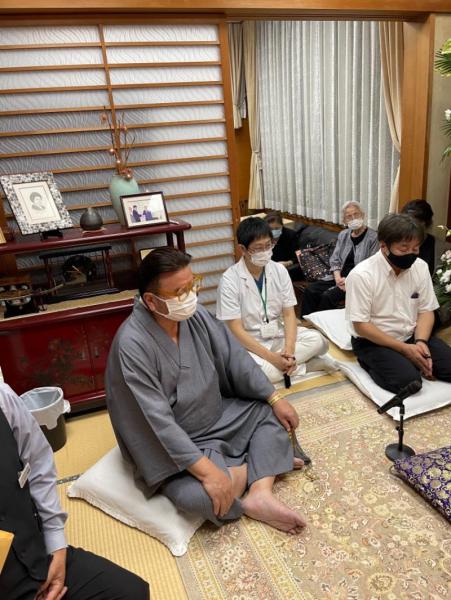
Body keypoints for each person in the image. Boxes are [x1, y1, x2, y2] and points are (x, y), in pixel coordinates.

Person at [105, 247, 307, 535]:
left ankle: (259, 493)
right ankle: (263, 465)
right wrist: (207, 472)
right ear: (150, 300)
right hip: (177, 443)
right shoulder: (131, 345)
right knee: (200, 498)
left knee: (273, 415)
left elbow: (234, 357)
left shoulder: (195, 315)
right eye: (180, 291)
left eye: (192, 285)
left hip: (219, 415)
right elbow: (154, 421)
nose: (190, 296)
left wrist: (273, 397)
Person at [0, 383, 149, 600]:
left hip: (36, 556)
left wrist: (56, 544)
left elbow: (38, 462)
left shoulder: (3, 397)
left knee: (132, 592)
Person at [216, 217, 335, 384]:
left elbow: (289, 314)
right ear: (242, 249)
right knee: (261, 374)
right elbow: (236, 330)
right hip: (249, 342)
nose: (265, 251)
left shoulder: (279, 270)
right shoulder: (229, 280)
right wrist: (272, 358)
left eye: (268, 245)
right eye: (258, 248)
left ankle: (290, 363)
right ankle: (308, 366)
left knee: (319, 341)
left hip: (277, 334)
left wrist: (290, 351)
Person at [345, 213, 451, 394]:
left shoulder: (420, 267)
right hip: (373, 341)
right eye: (403, 249)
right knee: (409, 383)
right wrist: (404, 350)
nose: (410, 254)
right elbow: (361, 326)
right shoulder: (362, 275)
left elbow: (426, 310)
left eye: (415, 248)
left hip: (411, 335)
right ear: (384, 245)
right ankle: (367, 362)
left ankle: (408, 358)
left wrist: (421, 342)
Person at [301, 201, 379, 316]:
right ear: (344, 221)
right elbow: (335, 259)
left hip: (358, 281)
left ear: (363, 215)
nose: (353, 218)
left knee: (328, 296)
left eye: (356, 214)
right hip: (338, 277)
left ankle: (322, 324)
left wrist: (348, 281)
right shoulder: (343, 235)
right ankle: (306, 322)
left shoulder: (373, 237)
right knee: (310, 290)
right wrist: (337, 278)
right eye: (349, 216)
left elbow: (370, 267)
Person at [401, 199, 435, 275]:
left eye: (415, 222)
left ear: (425, 223)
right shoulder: (397, 242)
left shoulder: (440, 247)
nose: (410, 227)